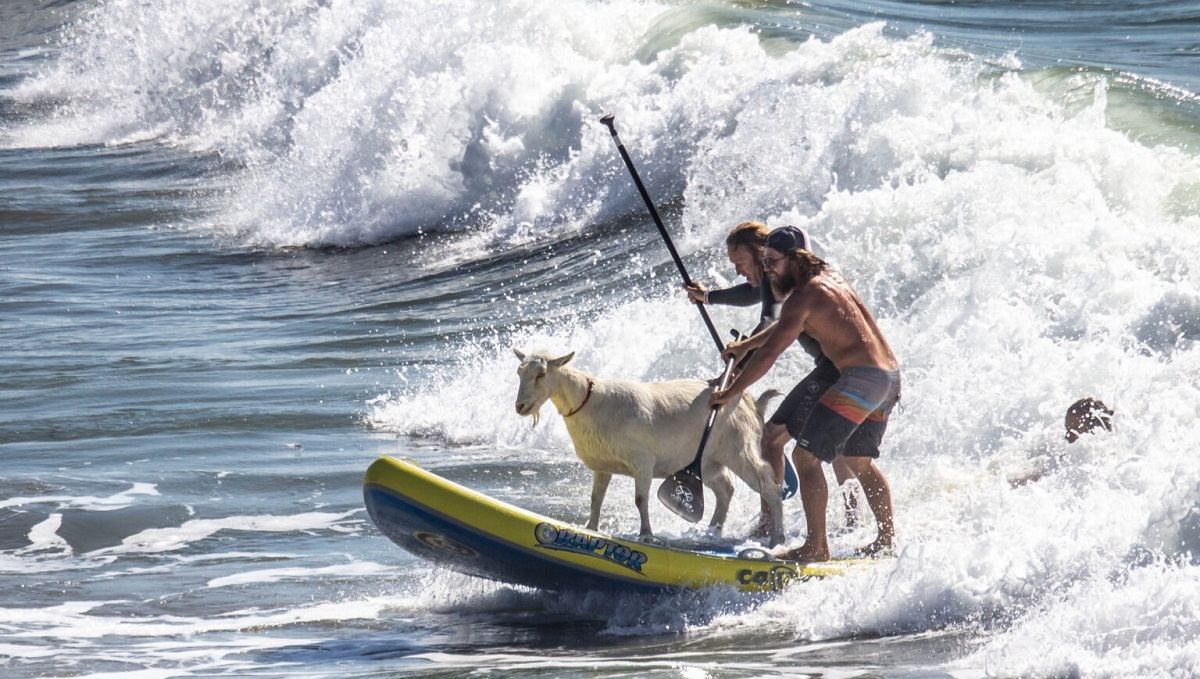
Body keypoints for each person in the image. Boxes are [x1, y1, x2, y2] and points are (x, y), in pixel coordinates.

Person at [709, 237, 901, 562]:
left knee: (805, 457)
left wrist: (730, 392)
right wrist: (744, 347)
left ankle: (816, 547)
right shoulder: (829, 279)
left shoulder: (803, 295)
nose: (767, 270)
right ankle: (886, 539)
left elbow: (771, 353)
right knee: (859, 461)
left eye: (772, 262)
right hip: (889, 379)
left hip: (861, 380)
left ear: (796, 258)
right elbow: (787, 324)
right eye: (764, 262)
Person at [683, 223, 863, 529]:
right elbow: (755, 294)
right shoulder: (795, 275)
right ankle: (853, 520)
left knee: (773, 438)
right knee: (841, 447)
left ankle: (770, 523)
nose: (738, 271)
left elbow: (769, 320)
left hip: (834, 372)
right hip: (856, 371)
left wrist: (738, 366)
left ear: (761, 255)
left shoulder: (783, 280)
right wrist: (710, 297)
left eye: (740, 262)